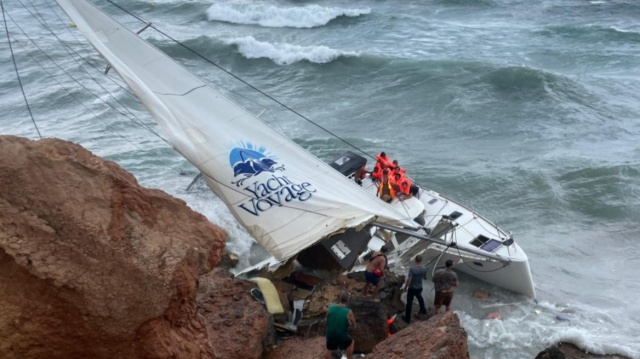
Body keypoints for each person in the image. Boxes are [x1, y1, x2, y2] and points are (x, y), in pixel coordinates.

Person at [325, 292, 356, 359]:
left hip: (330, 334)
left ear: (340, 299)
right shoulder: (348, 311)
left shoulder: (331, 307)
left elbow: (327, 317)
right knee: (351, 342)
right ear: (348, 301)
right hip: (341, 336)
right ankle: (349, 358)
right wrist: (351, 324)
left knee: (329, 351)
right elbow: (353, 323)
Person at [401, 255, 428, 323]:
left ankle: (407, 318)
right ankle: (423, 310)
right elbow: (425, 277)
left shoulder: (412, 269)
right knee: (420, 298)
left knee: (409, 303)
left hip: (412, 288)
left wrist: (405, 288)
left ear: (415, 260)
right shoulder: (424, 268)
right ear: (421, 260)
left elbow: (409, 280)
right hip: (419, 287)